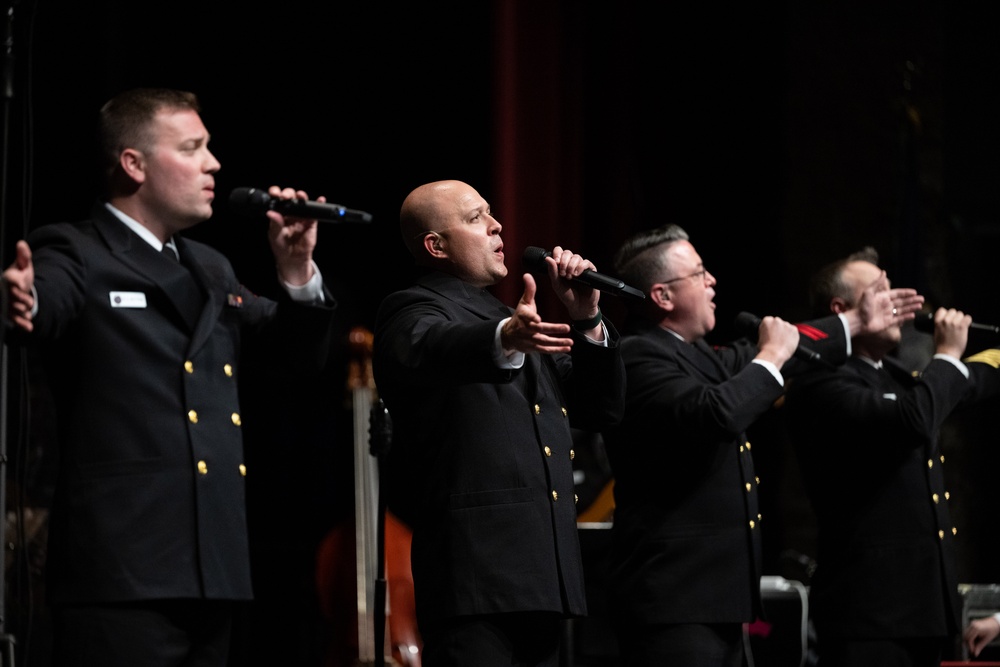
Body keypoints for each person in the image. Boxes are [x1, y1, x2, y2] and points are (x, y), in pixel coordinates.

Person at [1, 87, 337, 667]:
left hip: (215, 565)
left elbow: (297, 357)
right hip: (121, 569)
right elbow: (44, 301)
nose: (214, 164)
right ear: (134, 164)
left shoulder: (211, 266)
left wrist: (296, 269)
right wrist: (24, 302)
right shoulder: (77, 249)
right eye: (193, 147)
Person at [601, 225, 921, 666]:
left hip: (715, 606)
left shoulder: (698, 355)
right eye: (699, 273)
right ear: (662, 296)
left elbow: (779, 349)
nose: (712, 281)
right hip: (673, 604)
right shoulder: (637, 355)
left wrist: (856, 321)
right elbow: (719, 412)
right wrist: (769, 357)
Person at [371, 179, 626, 667]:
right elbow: (435, 346)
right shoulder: (413, 308)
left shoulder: (511, 320)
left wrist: (587, 318)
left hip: (544, 574)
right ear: (436, 246)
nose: (497, 225)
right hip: (475, 580)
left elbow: (601, 410)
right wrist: (503, 338)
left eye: (491, 214)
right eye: (475, 218)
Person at [782, 246, 1000, 667]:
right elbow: (912, 420)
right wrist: (947, 353)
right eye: (881, 292)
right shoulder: (821, 382)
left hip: (926, 613)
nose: (900, 304)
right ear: (841, 309)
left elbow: (968, 382)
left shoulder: (898, 377)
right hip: (869, 617)